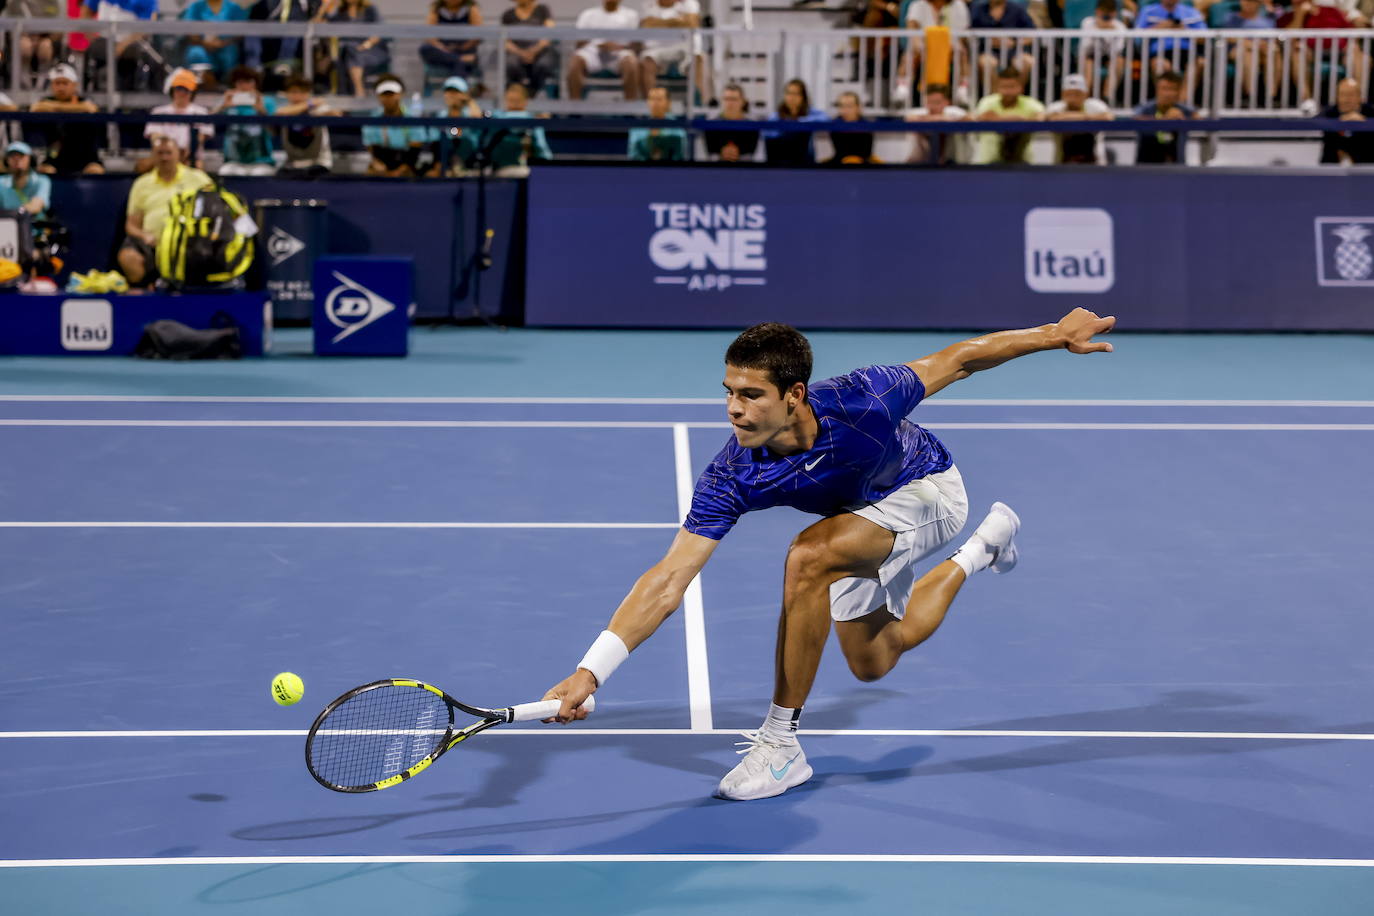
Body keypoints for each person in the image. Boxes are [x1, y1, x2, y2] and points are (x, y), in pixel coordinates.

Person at [541, 310, 1117, 801]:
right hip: (859, 525)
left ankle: (780, 745)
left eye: (750, 395)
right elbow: (669, 578)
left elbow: (962, 358)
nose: (733, 410)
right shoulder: (732, 474)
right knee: (875, 661)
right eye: (729, 393)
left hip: (928, 492)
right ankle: (983, 547)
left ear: (794, 395)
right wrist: (591, 670)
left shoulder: (863, 399)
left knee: (808, 557)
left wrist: (1053, 334)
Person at [118, 132, 213, 287]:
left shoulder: (198, 178)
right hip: (152, 244)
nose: (164, 157)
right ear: (153, 156)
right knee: (128, 256)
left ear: (179, 154)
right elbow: (131, 225)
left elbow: (215, 210)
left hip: (189, 244)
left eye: (168, 153)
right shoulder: (141, 183)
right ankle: (147, 289)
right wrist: (143, 235)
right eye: (159, 153)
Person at [32, 63, 106, 176]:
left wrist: (54, 107)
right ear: (52, 85)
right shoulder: (45, 100)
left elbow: (90, 108)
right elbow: (35, 108)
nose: (61, 87)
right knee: (44, 170)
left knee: (95, 170)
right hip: (55, 157)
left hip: (86, 157)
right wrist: (74, 108)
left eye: (65, 83)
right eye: (57, 83)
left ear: (74, 85)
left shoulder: (85, 100)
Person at [894, 0, 970, 106]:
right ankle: (902, 89)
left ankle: (962, 90)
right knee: (910, 53)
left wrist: (951, 46)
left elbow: (962, 36)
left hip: (950, 47)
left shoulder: (959, 5)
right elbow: (912, 30)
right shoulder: (918, 5)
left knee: (961, 52)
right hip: (923, 47)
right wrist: (920, 46)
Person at [139, 68, 214, 174]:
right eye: (179, 89)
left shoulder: (201, 112)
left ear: (192, 92)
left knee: (198, 166)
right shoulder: (158, 111)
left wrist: (183, 154)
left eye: (186, 90)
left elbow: (200, 138)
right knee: (142, 166)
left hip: (189, 158)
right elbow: (155, 137)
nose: (182, 93)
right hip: (163, 156)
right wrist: (171, 153)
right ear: (172, 90)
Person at [568, 0, 641, 100]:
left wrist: (617, 47)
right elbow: (579, 43)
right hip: (593, 52)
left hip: (619, 52)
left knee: (631, 63)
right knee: (575, 61)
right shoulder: (588, 14)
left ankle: (630, 110)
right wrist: (598, 45)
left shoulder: (631, 15)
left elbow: (636, 45)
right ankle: (574, 109)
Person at [639, 0, 710, 102]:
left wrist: (660, 23)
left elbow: (692, 23)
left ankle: (697, 106)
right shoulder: (647, 4)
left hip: (683, 47)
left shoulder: (689, 3)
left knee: (698, 59)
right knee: (647, 62)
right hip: (656, 49)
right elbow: (647, 24)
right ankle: (651, 106)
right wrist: (678, 21)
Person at [972, 66, 1044, 164]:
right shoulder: (987, 101)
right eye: (1004, 87)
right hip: (988, 162)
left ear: (1021, 88)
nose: (1008, 91)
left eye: (1012, 87)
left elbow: (1040, 118)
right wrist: (1022, 118)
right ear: (997, 88)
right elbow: (984, 117)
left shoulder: (1031, 103)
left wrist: (998, 118)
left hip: (1023, 163)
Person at [317, 0, 390, 97]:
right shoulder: (341, 11)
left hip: (370, 50)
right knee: (350, 50)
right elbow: (318, 24)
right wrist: (324, 8)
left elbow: (380, 30)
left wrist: (367, 44)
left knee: (351, 53)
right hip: (347, 51)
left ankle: (357, 90)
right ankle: (358, 90)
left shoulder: (370, 9)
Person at [216, 66, 278, 176]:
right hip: (233, 160)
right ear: (234, 84)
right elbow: (208, 126)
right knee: (225, 172)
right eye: (240, 82)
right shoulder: (228, 102)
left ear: (255, 83)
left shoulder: (267, 101)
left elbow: (274, 132)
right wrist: (222, 107)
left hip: (261, 160)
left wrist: (261, 111)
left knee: (258, 173)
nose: (244, 86)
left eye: (248, 82)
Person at [363, 75, 428, 177]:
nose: (388, 98)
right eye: (384, 94)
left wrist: (398, 172)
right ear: (378, 97)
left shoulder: (413, 119)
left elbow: (414, 151)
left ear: (400, 94)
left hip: (407, 164)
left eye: (391, 94)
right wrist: (383, 170)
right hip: (383, 164)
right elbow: (374, 152)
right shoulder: (372, 121)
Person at [276, 74, 339, 176]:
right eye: (294, 92)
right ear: (286, 94)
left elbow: (336, 114)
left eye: (303, 92)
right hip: (292, 165)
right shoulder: (286, 110)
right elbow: (279, 113)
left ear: (309, 93)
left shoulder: (318, 108)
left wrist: (324, 113)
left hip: (318, 164)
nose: (298, 96)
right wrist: (309, 104)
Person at [484, 82, 553, 173]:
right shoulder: (496, 117)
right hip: (494, 168)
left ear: (525, 101)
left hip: (521, 168)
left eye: (517, 100)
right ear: (506, 100)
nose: (514, 104)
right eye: (511, 100)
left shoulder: (533, 121)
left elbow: (542, 150)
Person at [245, 0, 319, 82]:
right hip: (270, 29)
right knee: (252, 32)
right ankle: (253, 66)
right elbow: (256, 15)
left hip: (298, 32)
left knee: (293, 27)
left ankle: (284, 64)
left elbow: (314, 14)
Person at [1045, 73, 1112, 164]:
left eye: (1077, 94)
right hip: (1062, 164)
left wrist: (1069, 116)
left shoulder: (1095, 105)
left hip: (1095, 164)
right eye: (1069, 94)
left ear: (1085, 94)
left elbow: (1107, 117)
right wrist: (1087, 117)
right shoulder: (1056, 106)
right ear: (1062, 95)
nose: (1072, 98)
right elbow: (1051, 118)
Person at [969, 0, 1035, 88]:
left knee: (1026, 62)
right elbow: (970, 33)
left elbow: (1032, 35)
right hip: (988, 51)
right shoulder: (978, 10)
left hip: (1014, 50)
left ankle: (1016, 95)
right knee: (987, 63)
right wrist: (988, 41)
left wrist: (1014, 43)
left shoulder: (1017, 10)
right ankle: (994, 97)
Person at [182, 0, 249, 88]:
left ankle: (228, 83)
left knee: (229, 54)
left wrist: (222, 43)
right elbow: (189, 30)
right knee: (196, 53)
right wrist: (204, 43)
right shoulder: (196, 7)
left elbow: (240, 32)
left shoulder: (233, 7)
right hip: (202, 46)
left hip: (226, 46)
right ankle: (204, 83)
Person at [1133, 69, 1195, 164]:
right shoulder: (1145, 108)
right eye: (1164, 88)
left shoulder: (1185, 110)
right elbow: (1135, 119)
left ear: (1179, 92)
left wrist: (1184, 120)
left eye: (1172, 89)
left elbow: (1199, 120)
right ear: (1157, 89)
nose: (1167, 94)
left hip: (1177, 167)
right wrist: (1165, 119)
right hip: (1146, 166)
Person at [763, 78, 827, 166]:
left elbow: (824, 118)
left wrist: (800, 122)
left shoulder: (810, 113)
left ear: (803, 97)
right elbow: (768, 134)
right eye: (788, 93)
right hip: (780, 161)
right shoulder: (776, 116)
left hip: (804, 161)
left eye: (796, 94)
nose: (791, 97)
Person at [501, 0, 558, 97]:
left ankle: (533, 93)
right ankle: (516, 94)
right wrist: (521, 53)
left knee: (544, 65)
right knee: (511, 64)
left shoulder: (543, 10)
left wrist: (533, 51)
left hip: (540, 51)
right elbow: (505, 41)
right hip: (517, 52)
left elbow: (549, 33)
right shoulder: (507, 15)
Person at [904, 82, 969, 164]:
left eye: (937, 102)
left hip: (950, 164)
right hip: (917, 164)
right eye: (929, 102)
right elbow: (910, 118)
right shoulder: (919, 112)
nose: (932, 106)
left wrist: (940, 118)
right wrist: (941, 119)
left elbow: (968, 118)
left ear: (947, 102)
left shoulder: (953, 111)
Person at [431, 75, 483, 174]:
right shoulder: (440, 116)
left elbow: (477, 117)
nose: (450, 95)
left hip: (469, 161)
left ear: (463, 95)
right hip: (445, 161)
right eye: (448, 92)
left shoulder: (470, 113)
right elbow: (435, 142)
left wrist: (469, 100)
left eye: (455, 92)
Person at [420, 0, 484, 82]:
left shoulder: (471, 8)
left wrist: (462, 47)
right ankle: (462, 59)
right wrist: (441, 47)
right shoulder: (436, 9)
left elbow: (478, 34)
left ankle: (456, 88)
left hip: (464, 48)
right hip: (442, 50)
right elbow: (429, 34)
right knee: (425, 49)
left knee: (459, 63)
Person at [1078, 0, 1127, 101]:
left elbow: (1118, 50)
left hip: (1109, 56)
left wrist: (1110, 32)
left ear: (1114, 13)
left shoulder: (1120, 27)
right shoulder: (1087, 23)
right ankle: (1084, 97)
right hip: (1090, 55)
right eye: (1103, 12)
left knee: (1119, 61)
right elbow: (1085, 47)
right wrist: (1098, 30)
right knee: (1088, 63)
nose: (1106, 15)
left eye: (1109, 12)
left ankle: (1106, 97)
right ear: (1097, 11)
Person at [1319, 77, 1374, 164]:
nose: (1345, 99)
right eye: (1342, 94)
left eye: (1350, 95)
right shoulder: (1330, 112)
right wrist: (1339, 122)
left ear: (1360, 97)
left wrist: (1365, 122)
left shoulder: (1370, 112)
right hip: (1331, 168)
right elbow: (1314, 122)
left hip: (1366, 168)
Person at [628, 85, 689, 161]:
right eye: (652, 99)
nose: (655, 103)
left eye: (659, 99)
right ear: (647, 102)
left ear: (668, 103)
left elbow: (680, 156)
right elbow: (633, 156)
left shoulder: (677, 129)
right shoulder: (637, 129)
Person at [703, 83, 758, 162]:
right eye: (726, 99)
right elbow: (709, 154)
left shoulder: (752, 126)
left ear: (743, 101)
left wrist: (738, 156)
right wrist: (721, 156)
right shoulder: (711, 125)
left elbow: (754, 155)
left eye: (734, 99)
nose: (730, 103)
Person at [0, 142, 53, 219]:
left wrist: (19, 212)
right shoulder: (1, 182)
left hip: (33, 227)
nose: (17, 160)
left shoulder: (42, 181)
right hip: (8, 227)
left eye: (21, 156)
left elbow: (36, 206)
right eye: (12, 156)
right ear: (7, 160)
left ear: (30, 159)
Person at [826, 91, 875, 164]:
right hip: (840, 163)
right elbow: (840, 151)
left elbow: (866, 152)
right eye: (842, 106)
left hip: (862, 163)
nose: (845, 110)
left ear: (858, 107)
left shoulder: (866, 125)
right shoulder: (835, 124)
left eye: (849, 106)